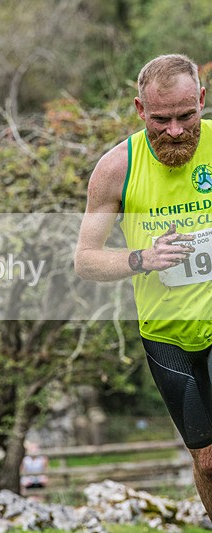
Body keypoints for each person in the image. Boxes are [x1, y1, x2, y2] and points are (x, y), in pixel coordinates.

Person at [75, 53, 212, 516]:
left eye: (187, 115)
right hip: (165, 336)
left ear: (203, 100)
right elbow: (86, 259)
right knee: (208, 463)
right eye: (161, 119)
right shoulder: (117, 168)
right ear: (139, 110)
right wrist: (143, 258)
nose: (176, 130)